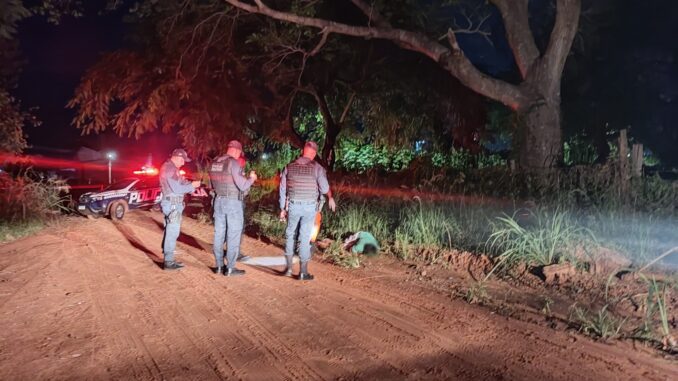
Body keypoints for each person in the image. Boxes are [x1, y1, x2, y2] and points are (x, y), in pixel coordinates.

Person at [279, 141, 336, 280]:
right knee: (305, 237)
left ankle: (288, 269)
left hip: (293, 206)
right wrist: (330, 198)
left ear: (303, 151)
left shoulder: (289, 167)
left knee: (290, 235)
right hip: (309, 207)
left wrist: (282, 208)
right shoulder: (317, 168)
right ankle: (303, 272)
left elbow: (282, 189)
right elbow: (324, 189)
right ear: (314, 153)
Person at [208, 140, 257, 276]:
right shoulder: (233, 163)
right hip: (232, 203)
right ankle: (230, 268)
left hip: (218, 201)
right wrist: (251, 178)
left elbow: (211, 184)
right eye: (239, 153)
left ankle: (218, 266)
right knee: (233, 234)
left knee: (219, 234)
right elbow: (243, 186)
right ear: (236, 151)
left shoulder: (214, 162)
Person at [159, 148, 201, 270]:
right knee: (173, 231)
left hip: (173, 204)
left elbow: (182, 183)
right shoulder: (169, 168)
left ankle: (168, 256)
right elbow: (177, 189)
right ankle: (168, 261)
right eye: (183, 160)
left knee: (171, 230)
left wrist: (191, 185)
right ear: (177, 157)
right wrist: (192, 186)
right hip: (172, 204)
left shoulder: (172, 168)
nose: (184, 163)